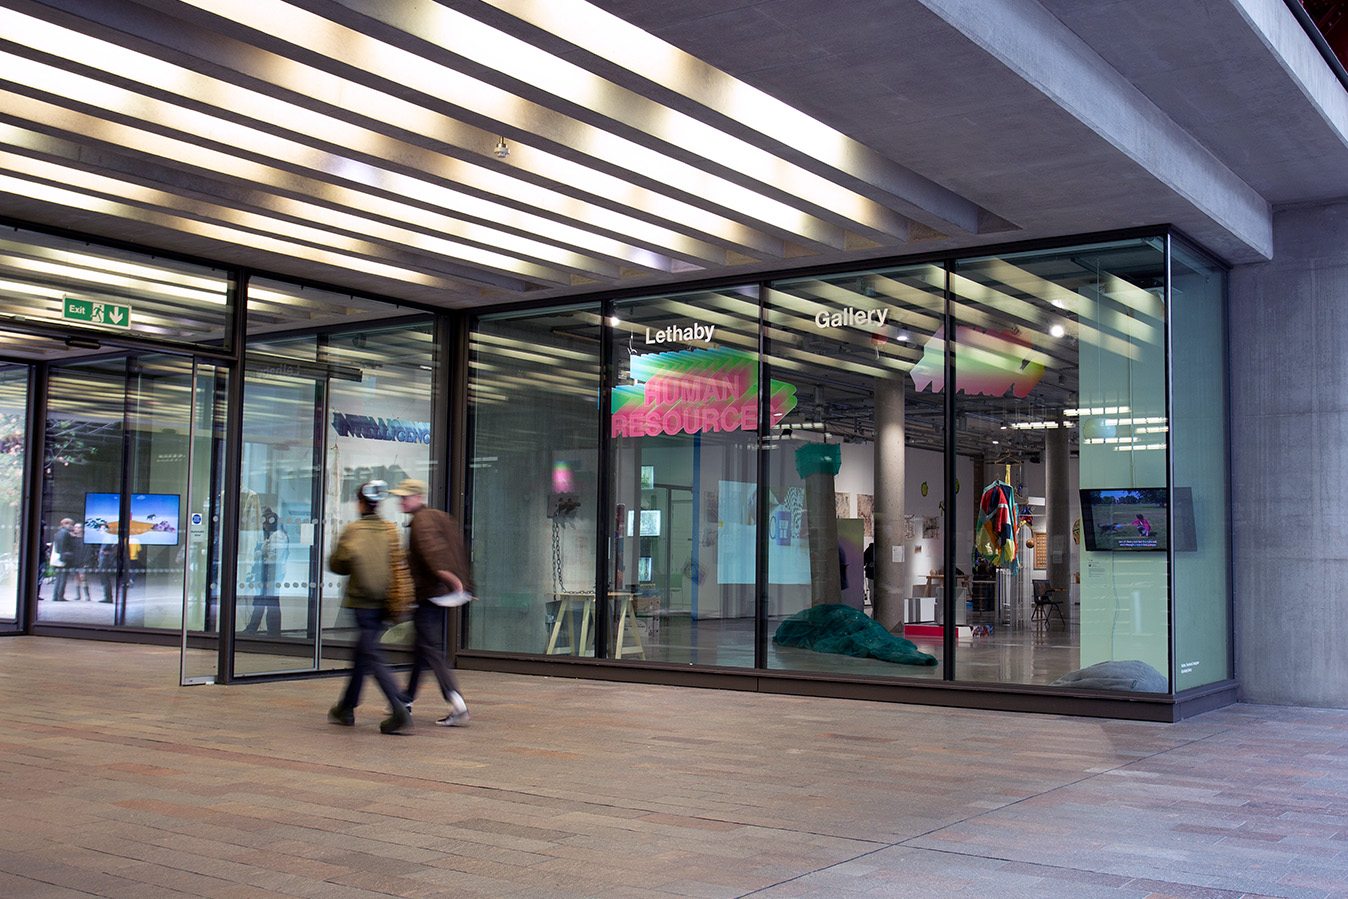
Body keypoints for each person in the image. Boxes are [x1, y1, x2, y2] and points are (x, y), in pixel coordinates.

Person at [327, 481, 412, 734]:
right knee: (362, 653)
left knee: (371, 654)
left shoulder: (354, 530)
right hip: (385, 604)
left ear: (360, 504)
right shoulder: (389, 530)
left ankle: (398, 705)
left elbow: (338, 564)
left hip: (362, 603)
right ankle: (346, 707)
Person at [390, 478, 472, 727]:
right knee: (421, 648)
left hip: (431, 593)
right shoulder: (439, 517)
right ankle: (406, 699)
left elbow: (434, 553)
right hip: (442, 593)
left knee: (431, 650)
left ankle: (456, 702)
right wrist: (462, 583)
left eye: (405, 497)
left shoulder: (421, 522)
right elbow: (457, 549)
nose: (401, 501)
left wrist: (450, 579)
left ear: (418, 497)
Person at [242, 507, 288, 637]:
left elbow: (273, 557)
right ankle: (256, 628)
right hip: (269, 573)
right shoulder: (273, 536)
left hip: (271, 574)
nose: (263, 527)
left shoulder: (278, 536)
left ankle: (271, 631)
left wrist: (261, 556)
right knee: (262, 602)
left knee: (269, 603)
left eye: (265, 524)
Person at [49, 518, 77, 601]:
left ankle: (55, 596)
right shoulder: (66, 534)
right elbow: (64, 546)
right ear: (64, 524)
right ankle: (60, 596)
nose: (71, 526)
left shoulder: (58, 533)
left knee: (58, 578)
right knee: (63, 578)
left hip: (58, 557)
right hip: (64, 557)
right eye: (69, 524)